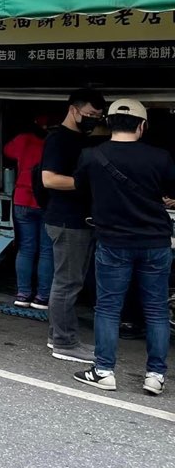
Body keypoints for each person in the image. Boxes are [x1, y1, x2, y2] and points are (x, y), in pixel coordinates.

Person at [72, 99, 175, 395]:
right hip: (155, 242)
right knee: (156, 310)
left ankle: (103, 371)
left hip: (113, 242)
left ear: (108, 124)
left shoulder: (91, 155)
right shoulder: (161, 157)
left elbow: (81, 189)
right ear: (142, 126)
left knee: (108, 308)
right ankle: (155, 376)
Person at [42, 88, 107, 364]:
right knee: (68, 283)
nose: (94, 119)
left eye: (99, 116)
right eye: (90, 114)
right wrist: (87, 184)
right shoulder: (59, 139)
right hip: (67, 221)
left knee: (68, 281)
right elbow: (49, 179)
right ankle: (65, 343)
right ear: (74, 110)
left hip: (77, 220)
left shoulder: (81, 139)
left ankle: (56, 335)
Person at [4, 115, 53, 310]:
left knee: (26, 248)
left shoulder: (23, 139)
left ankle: (23, 294)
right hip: (47, 202)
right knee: (47, 251)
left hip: (22, 199)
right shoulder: (55, 144)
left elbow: (7, 151)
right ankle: (42, 297)